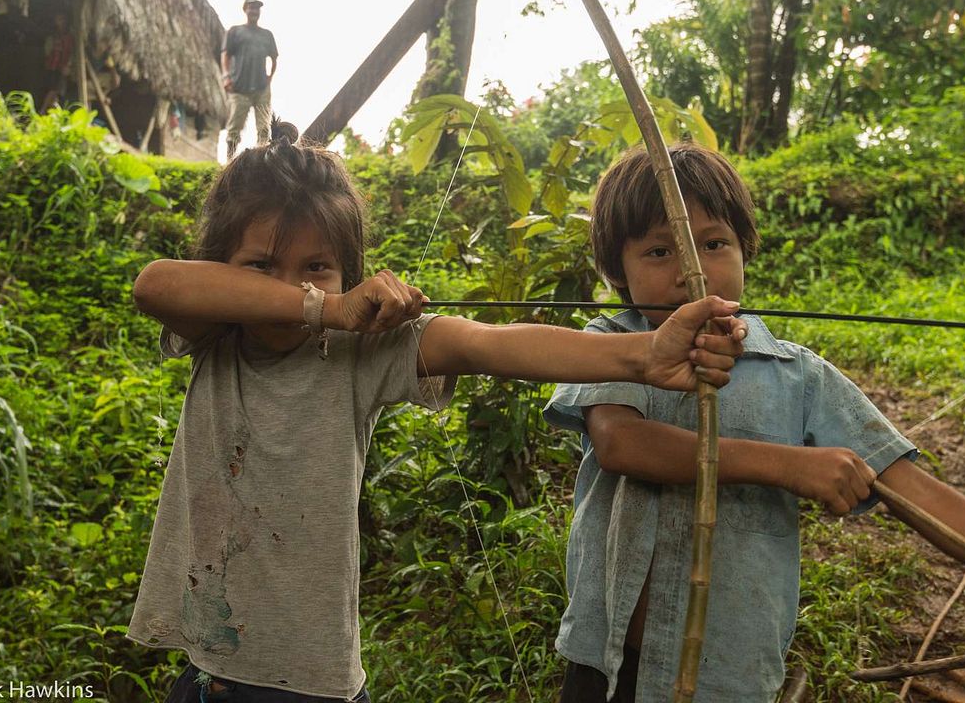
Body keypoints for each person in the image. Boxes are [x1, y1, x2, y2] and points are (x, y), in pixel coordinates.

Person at [125, 121, 749, 703]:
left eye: (318, 267)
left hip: (314, 680)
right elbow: (155, 283)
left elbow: (487, 343)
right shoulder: (216, 334)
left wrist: (645, 353)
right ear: (224, 266)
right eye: (262, 266)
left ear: (351, 273)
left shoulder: (362, 351)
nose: (296, 286)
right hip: (211, 675)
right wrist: (324, 305)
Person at [543, 144, 965, 702]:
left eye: (714, 243)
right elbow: (621, 442)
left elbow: (911, 488)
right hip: (606, 667)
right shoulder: (610, 344)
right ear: (615, 272)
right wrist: (787, 464)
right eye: (658, 250)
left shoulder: (800, 377)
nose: (691, 270)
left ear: (745, 248)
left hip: (731, 675)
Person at [221, 0, 278, 160]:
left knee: (264, 128)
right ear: (245, 9)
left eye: (257, 8)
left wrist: (270, 78)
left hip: (261, 87)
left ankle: (262, 161)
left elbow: (274, 59)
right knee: (234, 127)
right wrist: (226, 77)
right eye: (251, 7)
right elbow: (225, 55)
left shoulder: (267, 35)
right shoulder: (235, 31)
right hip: (239, 87)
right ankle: (229, 162)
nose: (254, 11)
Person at [40, 11, 73, 113]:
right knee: (52, 90)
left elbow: (73, 53)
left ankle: (46, 112)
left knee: (58, 91)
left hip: (64, 68)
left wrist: (69, 66)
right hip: (52, 67)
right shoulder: (52, 35)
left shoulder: (71, 36)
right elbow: (47, 51)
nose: (60, 22)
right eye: (58, 20)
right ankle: (43, 111)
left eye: (62, 19)